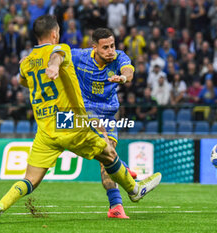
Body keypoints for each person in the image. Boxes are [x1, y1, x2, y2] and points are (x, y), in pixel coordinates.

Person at [0, 15, 161, 225]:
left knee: (30, 180)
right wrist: (53, 64)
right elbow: (57, 55)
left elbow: (24, 80)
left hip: (46, 130)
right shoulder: (64, 50)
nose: (110, 50)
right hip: (72, 123)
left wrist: (39, 69)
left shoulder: (28, 61)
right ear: (54, 34)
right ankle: (134, 190)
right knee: (109, 154)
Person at [71, 28, 137, 218]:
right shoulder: (79, 56)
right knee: (107, 150)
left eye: (113, 46)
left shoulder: (119, 58)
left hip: (109, 115)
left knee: (108, 161)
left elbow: (129, 70)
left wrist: (123, 77)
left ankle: (115, 207)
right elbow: (57, 51)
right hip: (87, 111)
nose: (111, 51)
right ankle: (122, 171)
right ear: (94, 47)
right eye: (105, 47)